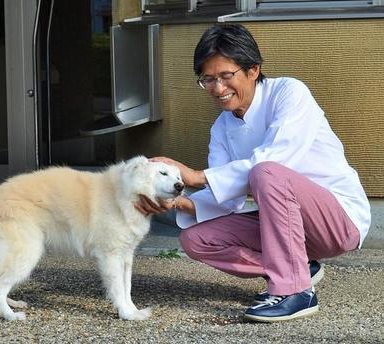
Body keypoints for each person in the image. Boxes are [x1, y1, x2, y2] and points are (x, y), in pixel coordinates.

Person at [135, 24, 371, 323]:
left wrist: (195, 176)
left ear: (253, 70)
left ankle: (297, 291)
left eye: (225, 76)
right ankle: (299, 269)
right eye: (207, 79)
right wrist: (175, 200)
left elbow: (276, 159)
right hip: (287, 229)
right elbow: (226, 201)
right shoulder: (221, 127)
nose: (218, 88)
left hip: (338, 219)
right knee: (196, 239)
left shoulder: (289, 92)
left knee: (267, 172)